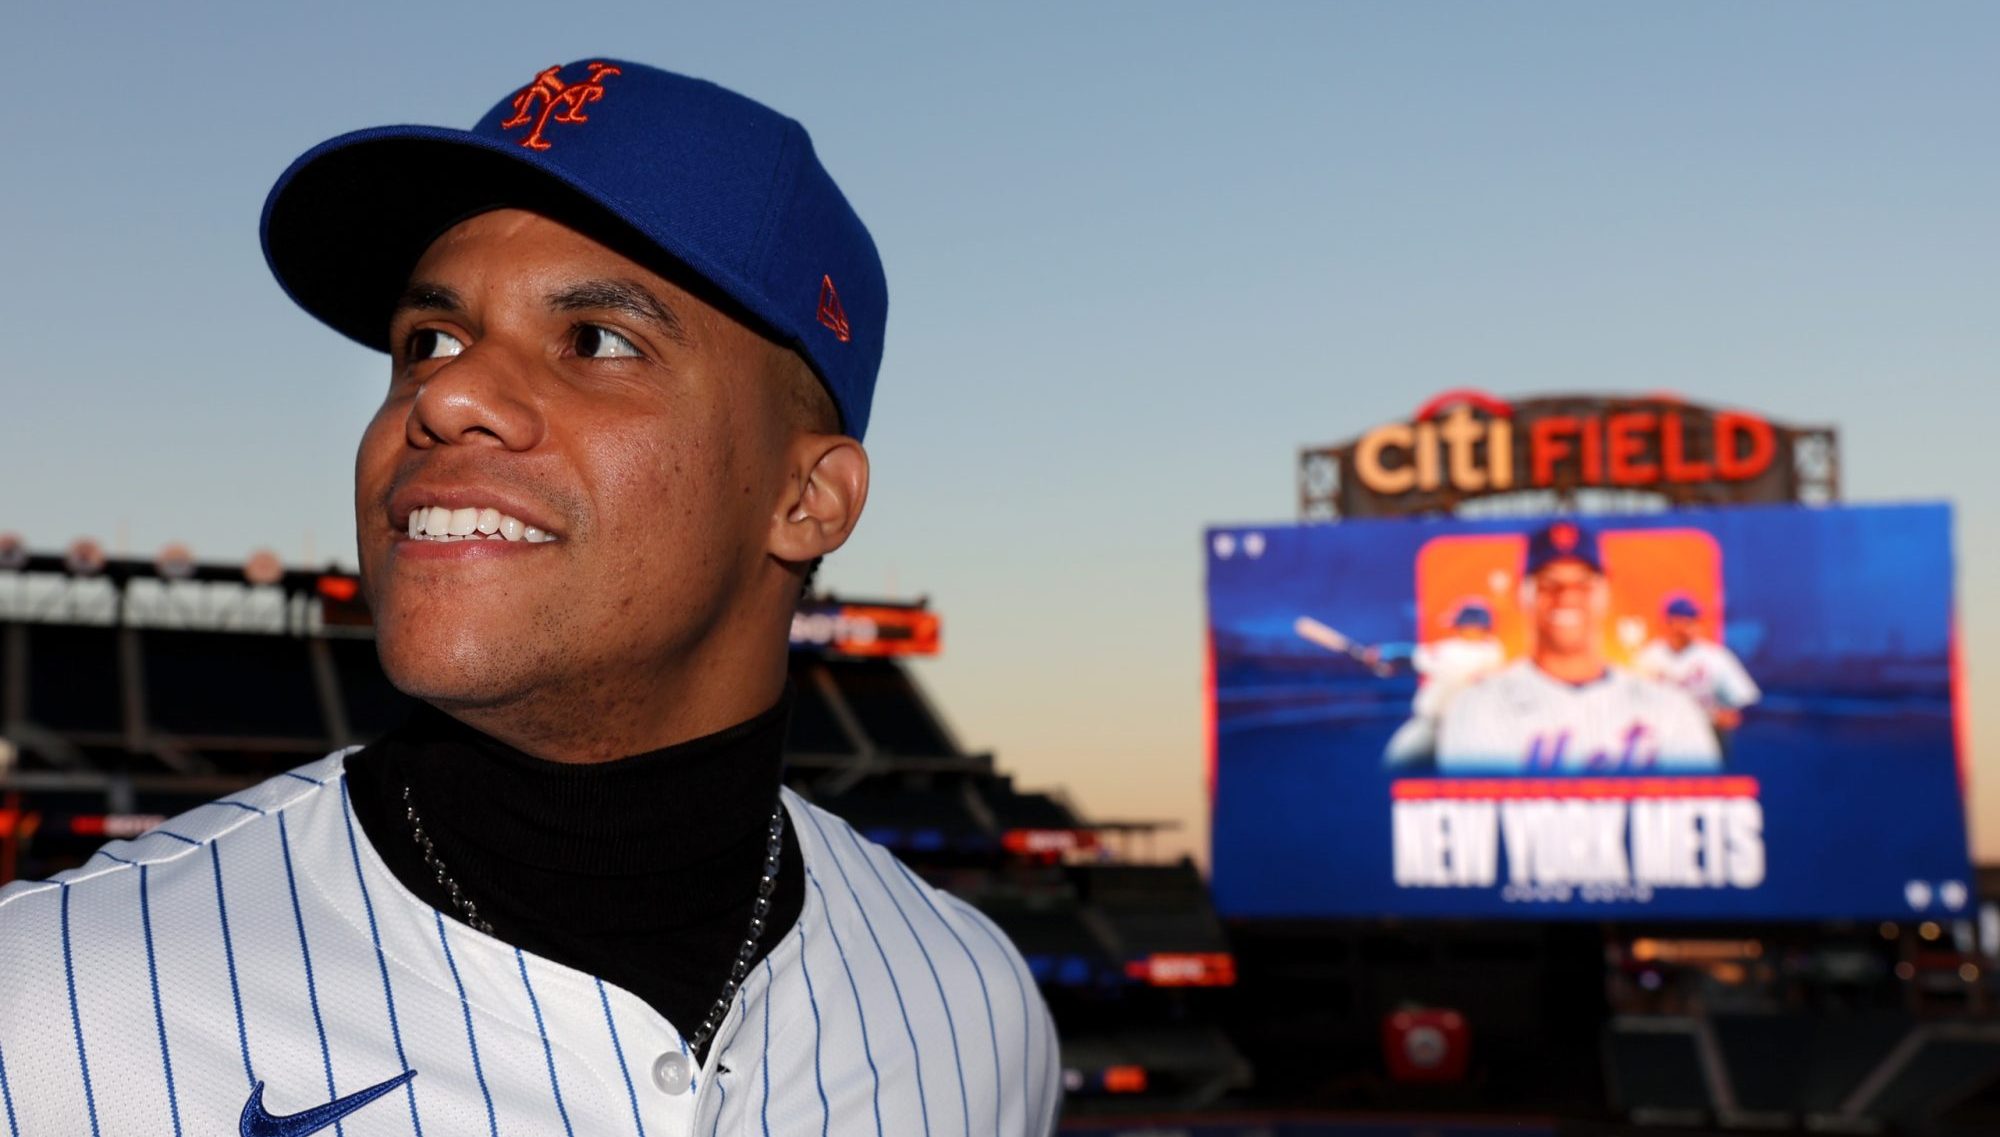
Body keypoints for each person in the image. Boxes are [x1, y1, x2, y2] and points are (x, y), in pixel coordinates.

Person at [0, 60, 1062, 1136]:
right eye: (431, 340)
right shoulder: (47, 996)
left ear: (808, 497)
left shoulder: (972, 1007)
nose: (445, 393)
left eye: (596, 343)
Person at [1435, 521, 1719, 772]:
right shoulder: (1478, 706)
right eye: (1548, 584)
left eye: (1583, 584)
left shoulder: (1669, 707)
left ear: (1605, 592)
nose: (1566, 596)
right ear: (1522, 594)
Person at [1382, 600, 1507, 767]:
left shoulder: (1471, 653)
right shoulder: (1492, 650)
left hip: (1455, 731)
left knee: (1399, 769)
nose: (1459, 629)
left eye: (1465, 624)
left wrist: (1386, 653)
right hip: (1438, 727)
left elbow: (1413, 656)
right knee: (1396, 768)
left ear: (1476, 626)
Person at [1637, 594, 1761, 744]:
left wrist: (1732, 715)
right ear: (1667, 623)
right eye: (1680, 620)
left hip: (1706, 732)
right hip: (1659, 736)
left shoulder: (1715, 657)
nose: (1686, 627)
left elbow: (1746, 700)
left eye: (1692, 621)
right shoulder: (1648, 657)